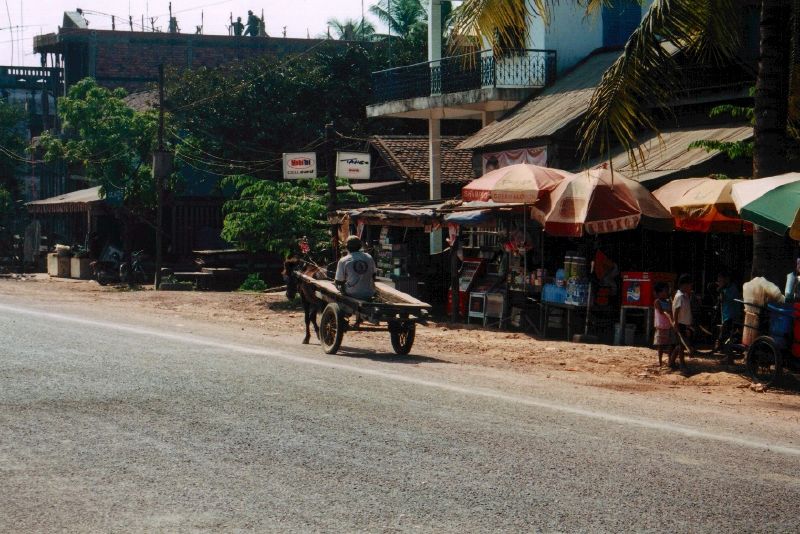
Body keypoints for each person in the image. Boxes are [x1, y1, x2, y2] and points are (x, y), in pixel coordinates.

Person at [335, 236, 376, 300]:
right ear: (360, 246)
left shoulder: (343, 260)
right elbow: (373, 275)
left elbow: (338, 281)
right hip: (369, 293)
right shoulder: (369, 257)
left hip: (352, 293)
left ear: (347, 247)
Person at [716, 269, 742, 360]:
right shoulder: (726, 289)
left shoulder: (732, 289)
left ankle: (729, 356)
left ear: (727, 279)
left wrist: (721, 290)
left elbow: (725, 298)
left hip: (731, 316)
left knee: (724, 337)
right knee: (725, 336)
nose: (719, 283)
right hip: (727, 316)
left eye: (720, 281)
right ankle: (728, 355)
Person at [670, 274, 694, 370]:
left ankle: (671, 362)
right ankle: (682, 364)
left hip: (684, 324)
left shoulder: (685, 296)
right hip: (679, 324)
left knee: (680, 345)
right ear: (684, 285)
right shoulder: (679, 296)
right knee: (681, 345)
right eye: (690, 286)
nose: (691, 288)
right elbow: (676, 310)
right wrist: (675, 323)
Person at [653, 281, 674, 367]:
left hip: (669, 326)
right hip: (661, 326)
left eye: (667, 291)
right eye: (665, 291)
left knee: (670, 344)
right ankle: (660, 362)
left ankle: (669, 360)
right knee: (660, 345)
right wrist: (669, 311)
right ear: (659, 293)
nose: (666, 293)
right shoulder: (657, 301)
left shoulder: (669, 301)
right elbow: (662, 311)